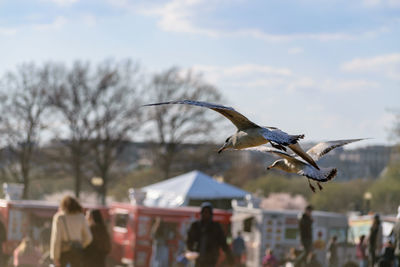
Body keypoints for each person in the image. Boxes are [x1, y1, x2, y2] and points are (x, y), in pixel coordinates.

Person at [186, 202, 233, 267]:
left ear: (211, 214)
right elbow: (189, 240)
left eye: (207, 212)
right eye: (204, 212)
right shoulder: (195, 226)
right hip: (198, 258)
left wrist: (229, 257)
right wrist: (191, 250)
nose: (206, 214)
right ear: (201, 213)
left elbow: (223, 243)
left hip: (211, 259)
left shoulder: (216, 227)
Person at [50, 195, 92, 267]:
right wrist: (80, 245)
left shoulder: (59, 218)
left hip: (63, 253)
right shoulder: (81, 217)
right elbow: (89, 237)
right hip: (77, 252)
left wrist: (55, 257)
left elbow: (56, 239)